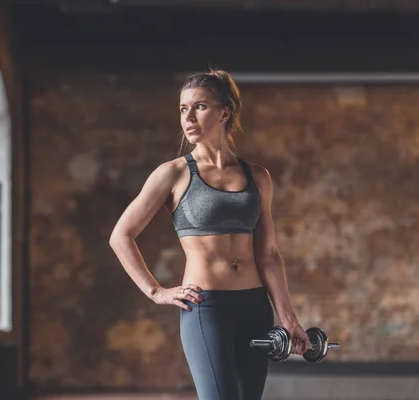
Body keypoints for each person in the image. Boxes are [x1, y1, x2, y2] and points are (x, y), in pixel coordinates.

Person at [108, 69, 311, 400]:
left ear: (224, 113)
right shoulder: (172, 174)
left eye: (199, 106)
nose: (187, 117)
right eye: (182, 108)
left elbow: (269, 255)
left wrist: (288, 318)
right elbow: (121, 235)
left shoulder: (258, 177)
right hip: (206, 306)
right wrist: (155, 291)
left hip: (255, 306)